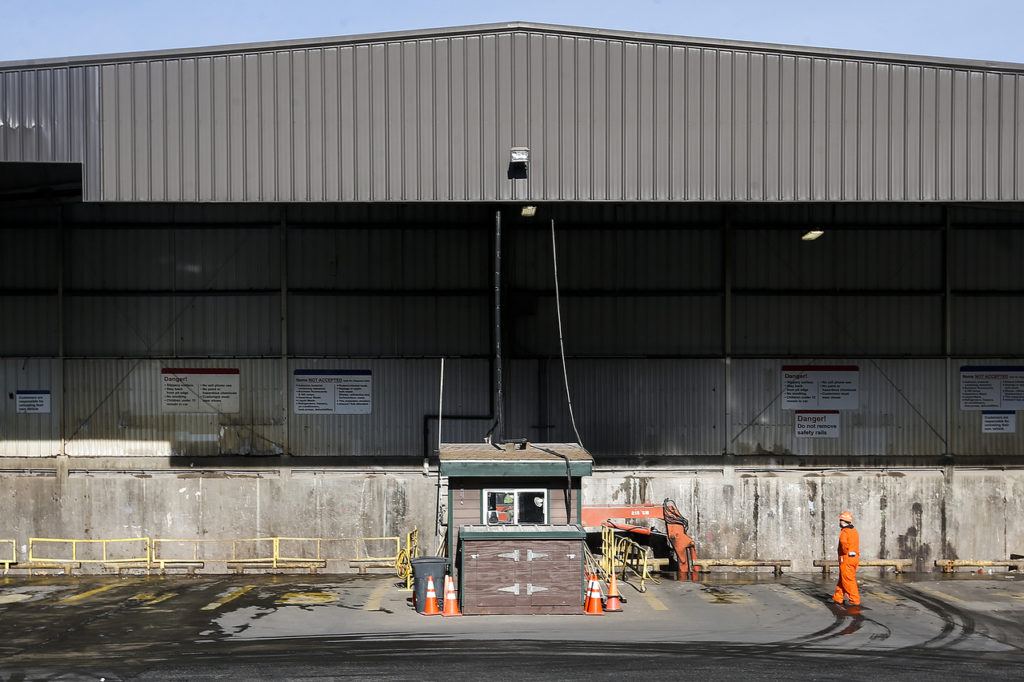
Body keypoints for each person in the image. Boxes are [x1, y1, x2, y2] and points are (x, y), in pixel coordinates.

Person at [833, 510, 860, 606]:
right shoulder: (854, 531)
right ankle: (838, 598)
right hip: (854, 559)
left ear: (842, 521)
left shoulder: (844, 532)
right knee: (843, 579)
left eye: (840, 520)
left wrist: (843, 553)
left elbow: (844, 546)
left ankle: (854, 600)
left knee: (848, 580)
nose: (839, 522)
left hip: (846, 559)